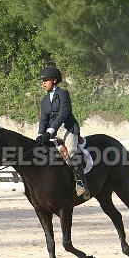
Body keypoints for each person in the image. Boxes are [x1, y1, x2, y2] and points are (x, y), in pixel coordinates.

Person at [36, 65, 89, 199]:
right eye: (42, 80)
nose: (43, 83)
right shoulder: (44, 101)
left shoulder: (63, 94)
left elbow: (63, 114)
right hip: (52, 131)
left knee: (70, 151)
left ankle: (81, 184)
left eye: (46, 80)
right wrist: (40, 134)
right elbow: (43, 119)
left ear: (54, 80)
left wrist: (50, 131)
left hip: (67, 128)